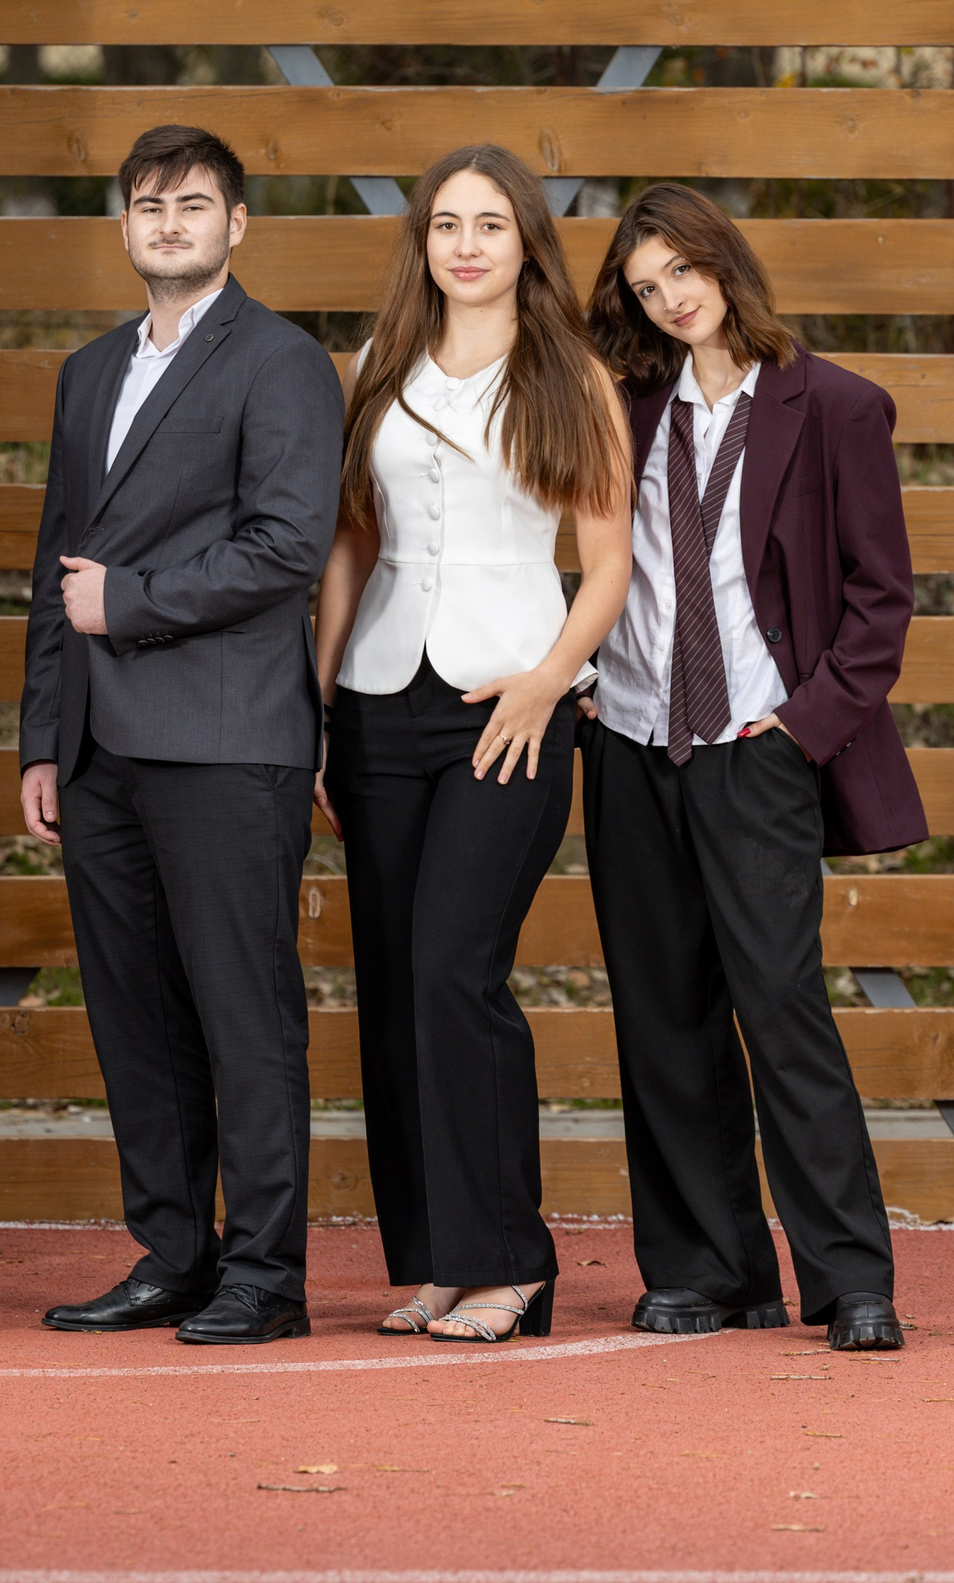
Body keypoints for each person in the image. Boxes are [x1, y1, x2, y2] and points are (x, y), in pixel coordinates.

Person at [20, 126, 342, 1346]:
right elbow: (56, 563)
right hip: (102, 750)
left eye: (193, 204)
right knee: (135, 1017)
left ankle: (266, 1273)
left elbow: (285, 546)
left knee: (242, 1011)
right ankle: (172, 1253)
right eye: (149, 205)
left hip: (225, 740)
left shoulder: (281, 363)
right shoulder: (89, 371)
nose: (169, 222)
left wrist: (133, 605)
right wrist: (44, 738)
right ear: (123, 224)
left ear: (236, 224)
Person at [583, 182, 918, 1353]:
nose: (669, 299)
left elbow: (879, 598)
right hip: (628, 744)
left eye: (683, 271)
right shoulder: (617, 409)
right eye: (645, 286)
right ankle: (707, 1268)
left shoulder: (831, 408)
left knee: (781, 1010)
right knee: (662, 1019)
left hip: (753, 748)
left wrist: (805, 722)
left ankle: (848, 1277)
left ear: (724, 266)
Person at [314, 145, 634, 1345]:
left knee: (456, 968)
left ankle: (510, 1261)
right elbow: (349, 546)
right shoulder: (376, 367)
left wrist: (551, 684)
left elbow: (605, 566)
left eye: (488, 224)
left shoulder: (573, 377)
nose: (464, 244)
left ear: (524, 243)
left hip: (511, 704)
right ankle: (440, 1263)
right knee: (395, 988)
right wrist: (321, 701)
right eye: (445, 223)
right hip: (379, 700)